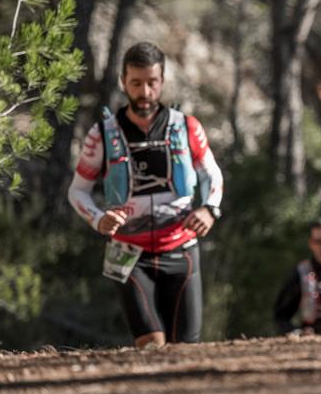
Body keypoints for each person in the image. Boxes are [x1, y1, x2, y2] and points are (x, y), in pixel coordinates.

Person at [67, 42, 224, 347]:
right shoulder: (102, 134)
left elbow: (212, 174)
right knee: (151, 343)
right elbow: (78, 191)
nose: (145, 92)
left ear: (162, 81)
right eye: (136, 83)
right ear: (123, 82)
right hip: (128, 253)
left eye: (152, 83)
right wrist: (98, 219)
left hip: (181, 250)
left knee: (185, 348)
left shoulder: (186, 127)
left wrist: (209, 209)